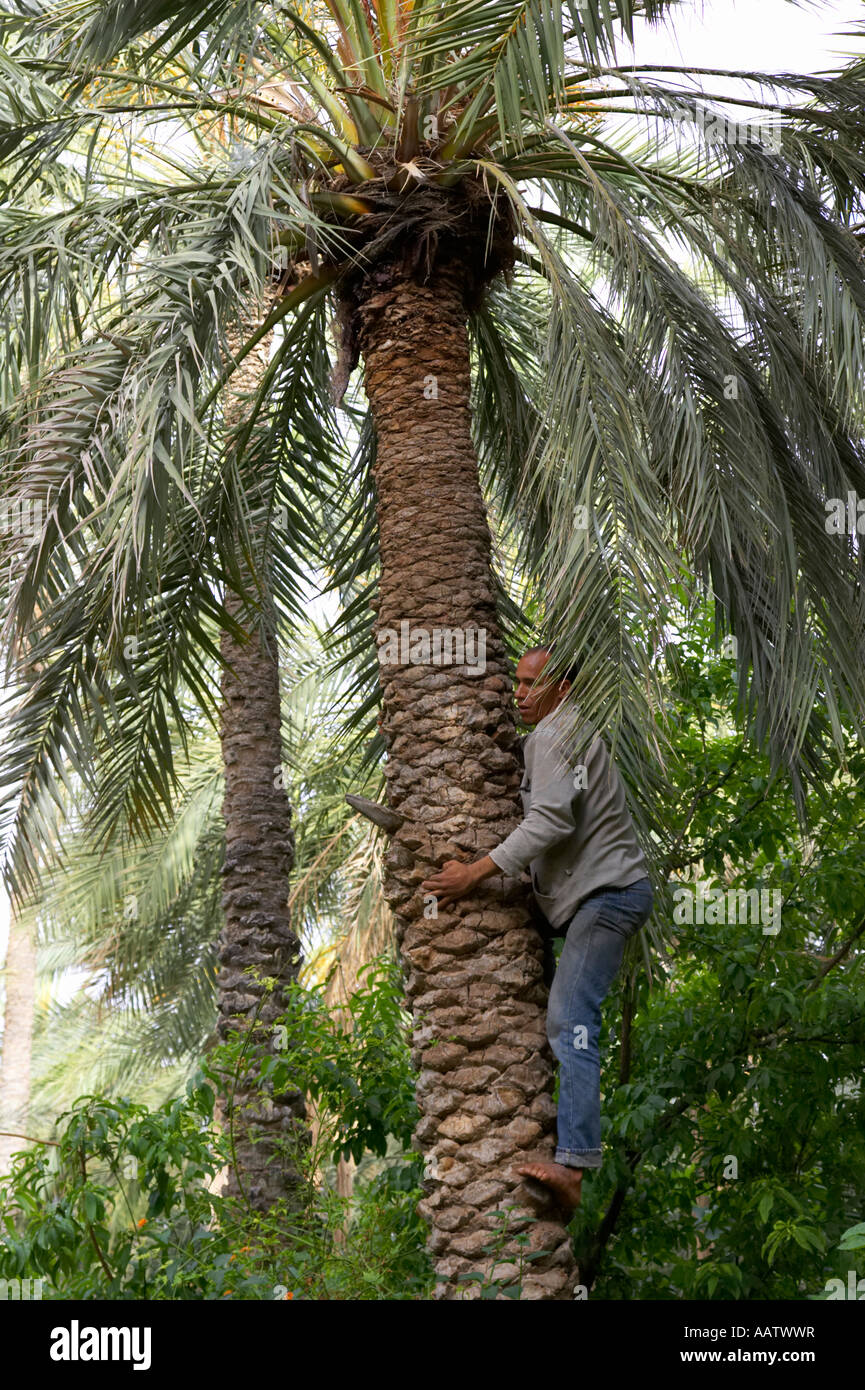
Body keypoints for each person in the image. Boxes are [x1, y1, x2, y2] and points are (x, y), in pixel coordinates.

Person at [420, 645, 653, 1211]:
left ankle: (574, 1166)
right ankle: (559, 1133)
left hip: (607, 897)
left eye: (530, 685)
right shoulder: (552, 738)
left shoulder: (554, 737)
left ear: (563, 688)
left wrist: (475, 872)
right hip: (590, 897)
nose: (518, 694)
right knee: (560, 1015)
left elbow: (550, 819)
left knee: (572, 1019)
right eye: (516, 683)